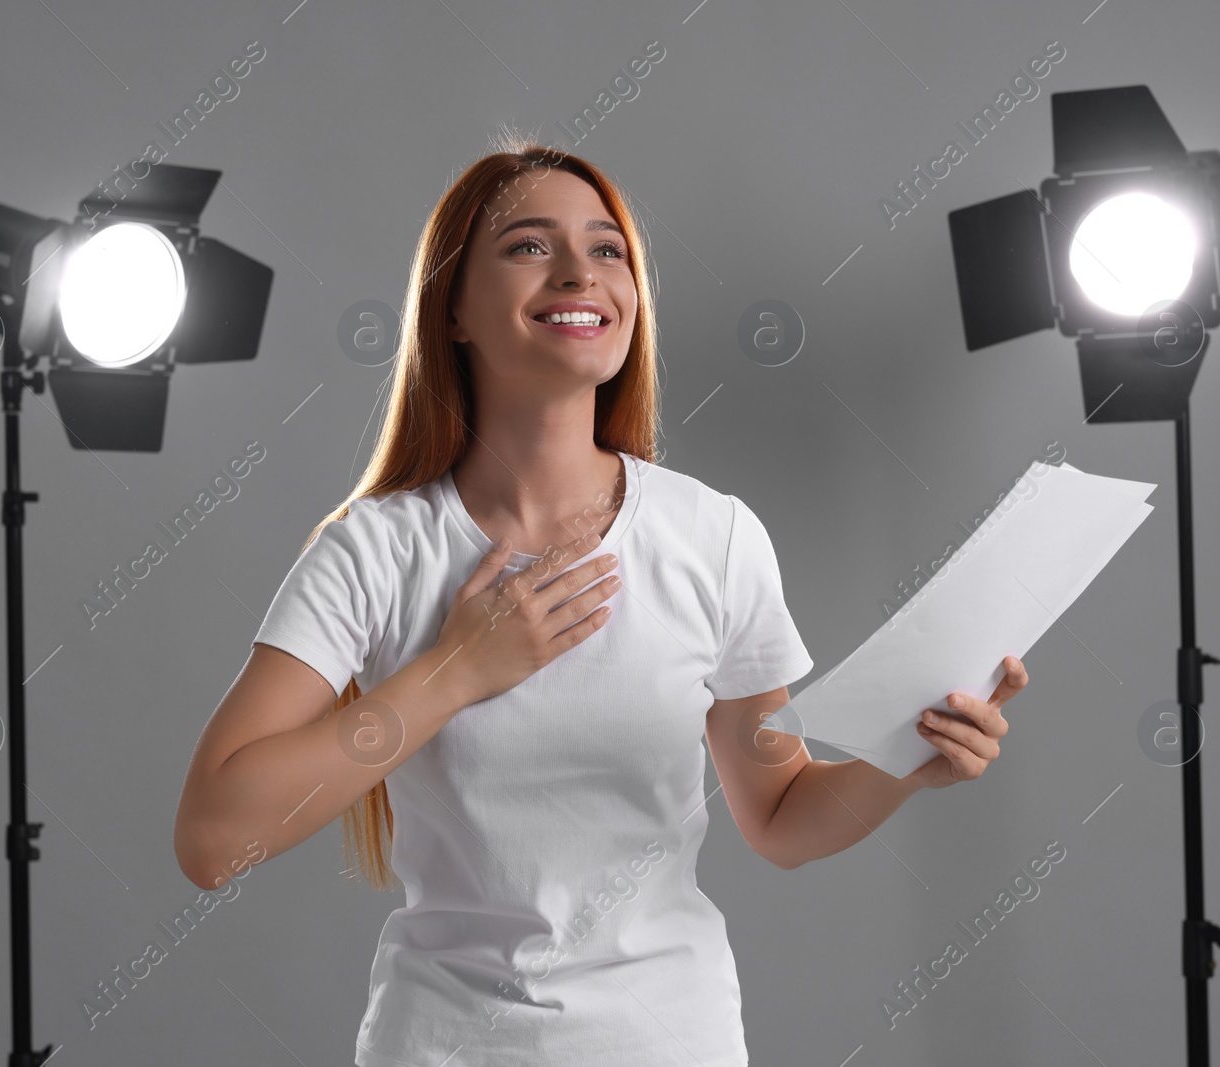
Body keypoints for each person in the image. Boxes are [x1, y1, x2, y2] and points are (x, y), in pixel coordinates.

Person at [172, 131, 1028, 1067]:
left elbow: (781, 814)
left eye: (608, 248)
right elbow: (216, 837)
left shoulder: (713, 535)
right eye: (530, 245)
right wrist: (452, 673)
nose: (581, 272)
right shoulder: (374, 551)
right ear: (452, 308)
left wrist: (909, 761)